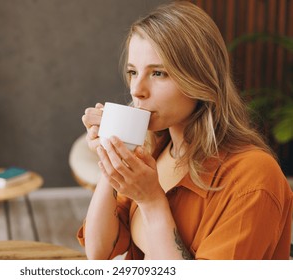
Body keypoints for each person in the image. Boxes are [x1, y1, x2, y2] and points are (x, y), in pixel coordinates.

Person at [77, 1, 292, 260]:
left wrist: (152, 201)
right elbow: (99, 251)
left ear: (200, 78)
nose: (136, 90)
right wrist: (110, 157)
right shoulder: (153, 148)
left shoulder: (253, 178)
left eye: (158, 73)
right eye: (133, 72)